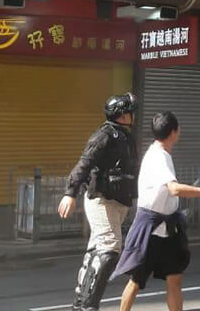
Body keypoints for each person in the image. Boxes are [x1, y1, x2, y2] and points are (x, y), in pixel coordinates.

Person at [113, 111, 200, 311]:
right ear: (173, 132)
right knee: (137, 280)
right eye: (178, 128)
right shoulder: (159, 157)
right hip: (151, 229)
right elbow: (174, 189)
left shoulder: (158, 152)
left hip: (168, 228)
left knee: (174, 278)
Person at [59, 93, 140, 311]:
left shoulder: (124, 136)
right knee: (109, 249)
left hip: (118, 201)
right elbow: (84, 163)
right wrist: (70, 193)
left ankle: (81, 302)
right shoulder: (104, 135)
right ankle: (88, 305)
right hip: (102, 200)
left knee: (98, 250)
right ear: (122, 114)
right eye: (130, 111)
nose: (133, 115)